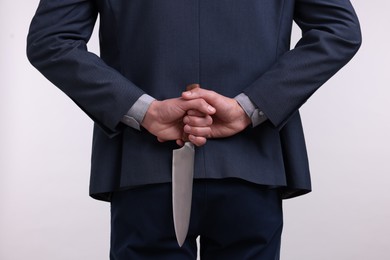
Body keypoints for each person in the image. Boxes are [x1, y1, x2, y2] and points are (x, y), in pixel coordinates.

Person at [27, 0, 361, 259]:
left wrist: (144, 111)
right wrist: (248, 107)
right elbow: (339, 30)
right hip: (252, 164)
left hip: (143, 166)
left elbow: (51, 40)